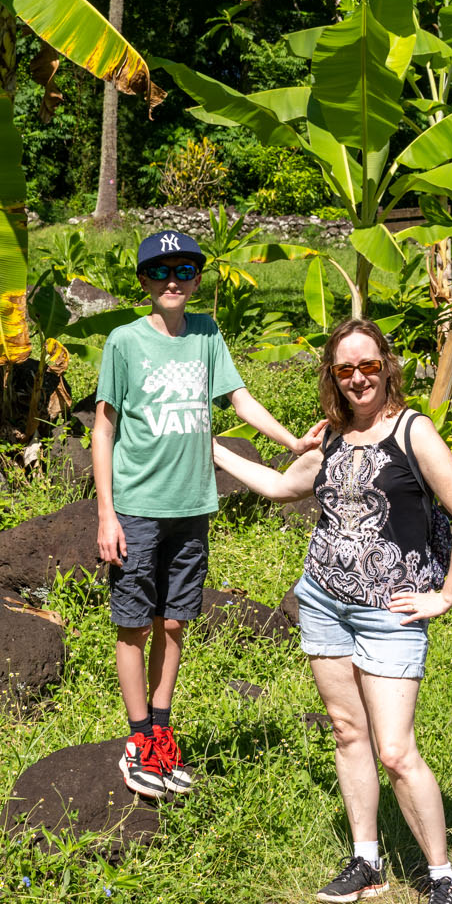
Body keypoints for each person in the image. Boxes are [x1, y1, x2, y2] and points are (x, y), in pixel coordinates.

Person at [212, 316, 452, 904]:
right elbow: (281, 486)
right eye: (345, 369)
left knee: (395, 750)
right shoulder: (334, 436)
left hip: (390, 613)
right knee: (346, 731)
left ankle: (443, 879)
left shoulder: (413, 431)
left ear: (386, 367)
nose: (358, 378)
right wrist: (212, 449)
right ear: (332, 376)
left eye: (368, 365)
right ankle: (367, 862)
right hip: (323, 601)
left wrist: (445, 596)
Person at [92, 227, 323, 800]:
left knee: (174, 622)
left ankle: (162, 732)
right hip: (137, 507)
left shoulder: (207, 334)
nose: (172, 282)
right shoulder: (124, 341)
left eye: (184, 272)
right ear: (144, 280)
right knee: (133, 624)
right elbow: (104, 428)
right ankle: (137, 740)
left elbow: (239, 401)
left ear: (196, 280)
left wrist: (293, 442)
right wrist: (106, 515)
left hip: (193, 505)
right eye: (160, 272)